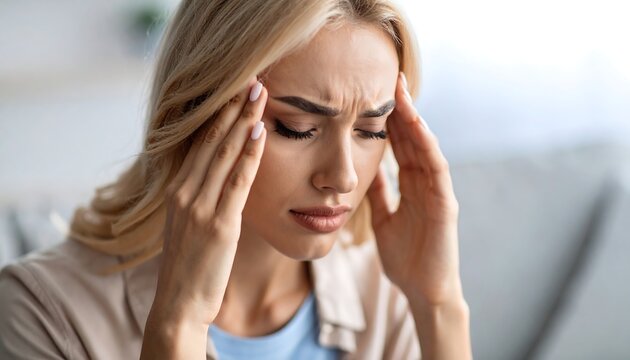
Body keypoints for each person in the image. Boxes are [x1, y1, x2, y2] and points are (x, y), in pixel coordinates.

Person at [0, 0, 472, 359]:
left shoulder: (388, 295)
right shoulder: (43, 312)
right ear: (200, 115)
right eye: (297, 128)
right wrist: (179, 323)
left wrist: (438, 304)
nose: (344, 177)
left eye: (373, 130)